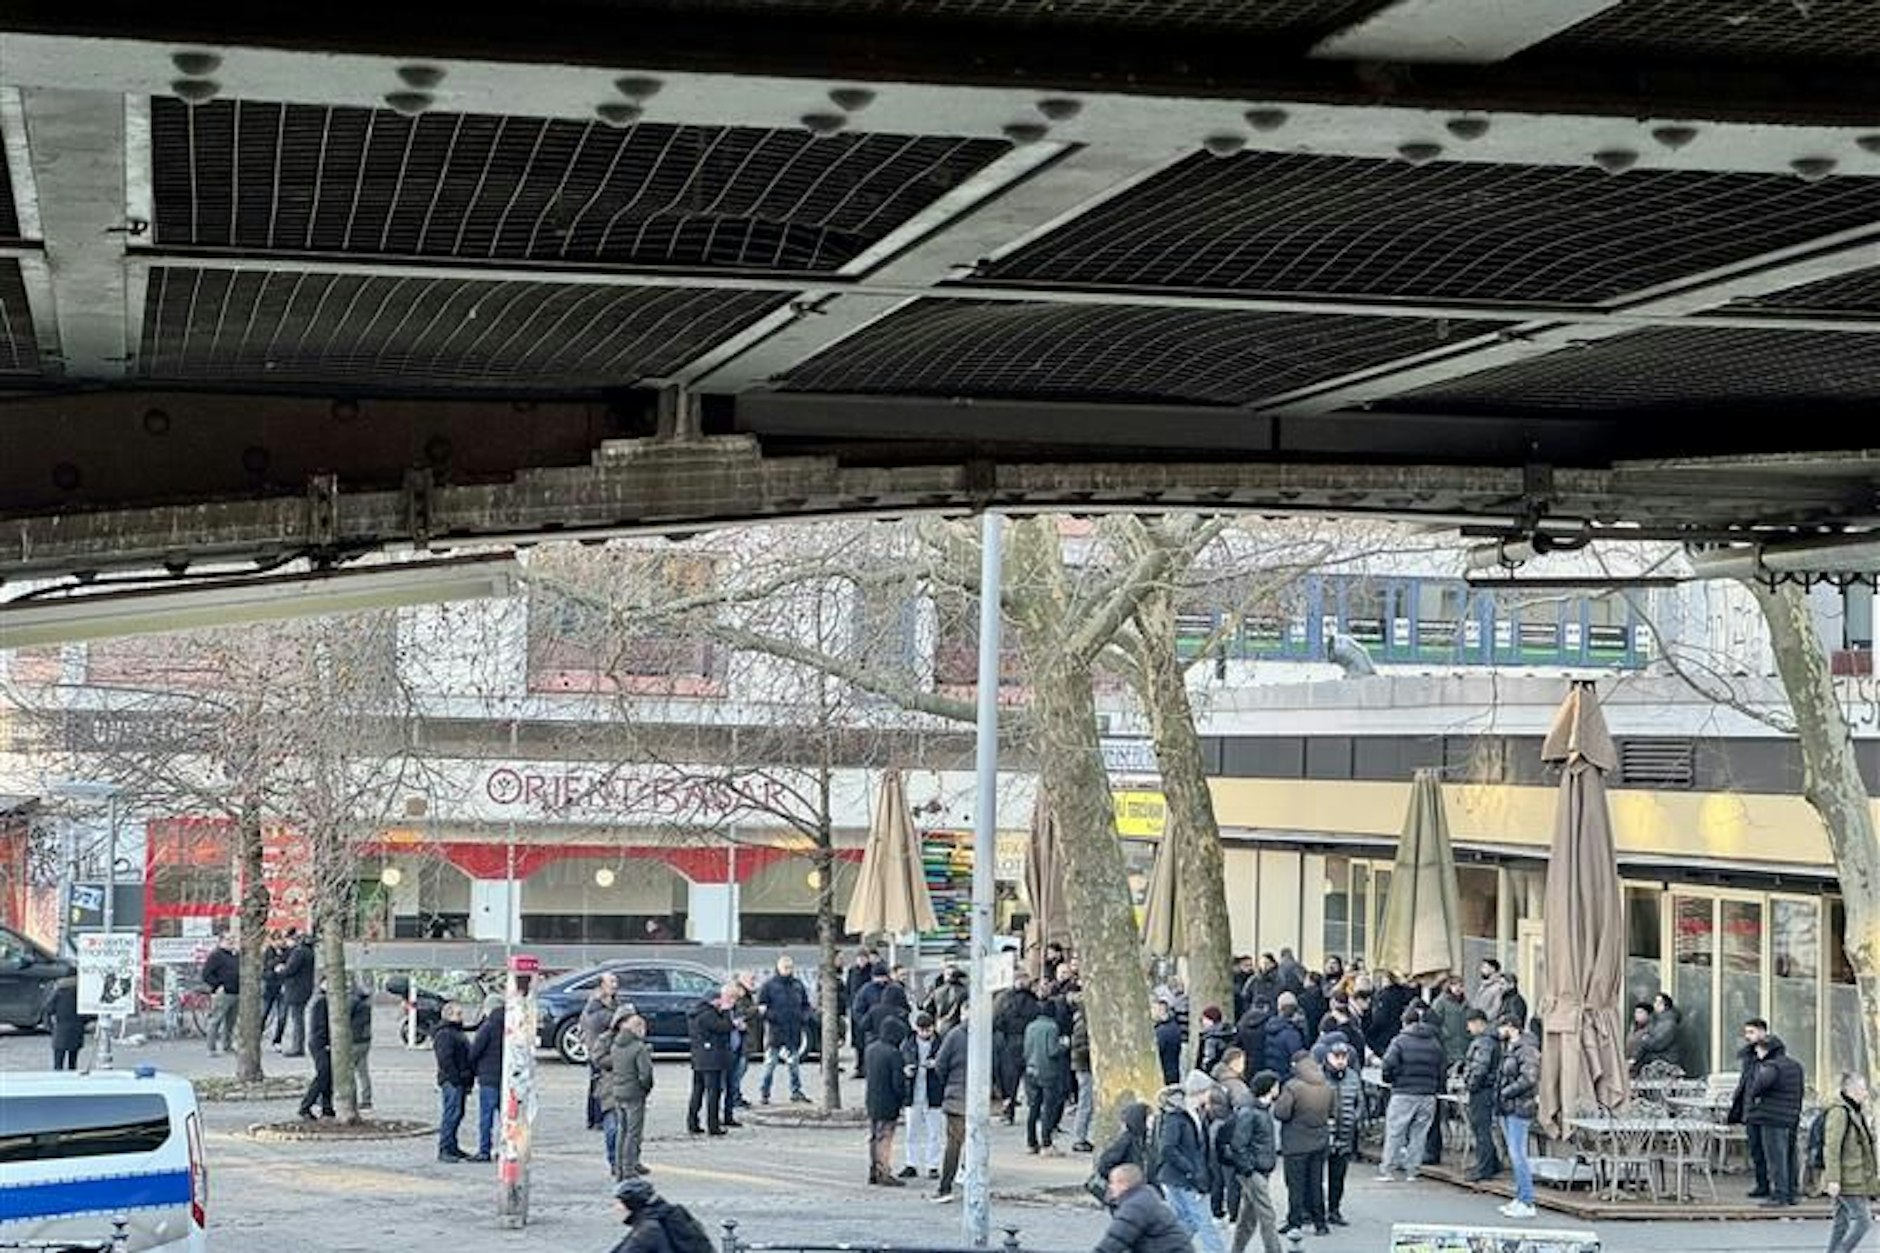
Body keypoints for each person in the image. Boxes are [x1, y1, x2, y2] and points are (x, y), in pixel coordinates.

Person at [1157, 1072, 1225, 1253]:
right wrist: (1191, 1171)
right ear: (1200, 1092)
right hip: (1184, 1178)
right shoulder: (1176, 1116)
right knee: (1204, 1222)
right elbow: (1168, 1148)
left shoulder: (1195, 1113)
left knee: (1187, 1220)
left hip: (1181, 1176)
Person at [1378, 1003, 1444, 1182]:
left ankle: (1388, 1169)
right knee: (1419, 1134)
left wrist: (1390, 1080)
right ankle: (1412, 1170)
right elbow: (1441, 1068)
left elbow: (1388, 1064)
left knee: (1395, 1131)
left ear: (1404, 1022)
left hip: (1404, 1092)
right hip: (1428, 1094)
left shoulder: (1399, 1041)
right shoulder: (1434, 1042)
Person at [1272, 1049, 1331, 1237]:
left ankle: (1295, 1221)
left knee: (1296, 1184)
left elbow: (1281, 1113)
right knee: (1316, 1183)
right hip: (1320, 1140)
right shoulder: (1326, 1086)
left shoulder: (1293, 1087)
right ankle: (1320, 1223)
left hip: (1296, 1142)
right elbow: (1333, 1111)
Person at [1744, 1031, 1806, 1207]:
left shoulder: (1771, 1067)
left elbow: (1758, 1087)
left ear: (1766, 1050)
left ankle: (1780, 1195)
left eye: (1759, 1050)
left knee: (1775, 1158)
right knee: (1789, 1156)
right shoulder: (1796, 1066)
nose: (1757, 1053)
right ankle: (1791, 1192)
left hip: (1771, 1118)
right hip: (1791, 1116)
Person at [1822, 1072, 1878, 1253]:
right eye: (1862, 1089)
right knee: (1863, 1221)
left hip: (1853, 1174)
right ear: (1850, 1090)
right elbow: (1832, 1147)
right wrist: (1833, 1179)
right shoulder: (1840, 1113)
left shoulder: (1855, 1111)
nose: (1865, 1093)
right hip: (1846, 1177)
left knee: (1841, 1221)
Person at [1227, 1069, 1282, 1253]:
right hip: (1254, 1171)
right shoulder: (1250, 1112)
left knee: (1248, 1218)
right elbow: (1238, 1144)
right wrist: (1249, 1169)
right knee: (1267, 1215)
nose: (1278, 1089)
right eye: (1276, 1086)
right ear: (1268, 1088)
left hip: (1259, 1168)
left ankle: (1236, 1249)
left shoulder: (1260, 1109)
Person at [1494, 1014, 1541, 1220]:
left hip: (1519, 1106)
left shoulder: (1526, 1049)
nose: (1498, 1031)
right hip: (1508, 1106)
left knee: (1517, 1153)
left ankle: (1527, 1200)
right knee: (1515, 1153)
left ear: (1511, 1027)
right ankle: (1520, 1196)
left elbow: (1529, 1078)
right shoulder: (1511, 1048)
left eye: (1501, 1026)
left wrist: (1507, 1091)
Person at [1094, 1163, 1192, 1253]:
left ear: (1123, 1185)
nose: (1110, 1187)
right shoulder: (1142, 1197)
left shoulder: (1135, 1206)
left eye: (1112, 1182)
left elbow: (1115, 1240)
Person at [756, 955, 811, 1105]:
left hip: (793, 1031)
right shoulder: (769, 986)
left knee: (794, 1065)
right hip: (775, 1031)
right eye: (785, 967)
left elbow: (806, 1005)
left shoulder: (798, 985)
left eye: (790, 967)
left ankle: (796, 1091)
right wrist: (773, 1017)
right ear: (778, 968)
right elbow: (761, 1008)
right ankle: (764, 1092)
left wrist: (803, 1017)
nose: (788, 970)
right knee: (770, 1064)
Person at [1728, 1018, 1774, 1197]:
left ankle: (1777, 1186)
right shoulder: (1748, 1056)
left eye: (1752, 1032)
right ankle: (1761, 1184)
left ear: (1763, 1032)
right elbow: (1746, 1082)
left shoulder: (1771, 1054)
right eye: (1746, 1032)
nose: (1748, 1036)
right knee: (1755, 1149)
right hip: (1750, 1108)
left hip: (1765, 1108)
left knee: (1769, 1150)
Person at [931, 1001, 970, 1201]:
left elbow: (940, 1064)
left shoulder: (954, 1035)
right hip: (975, 1097)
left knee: (954, 1144)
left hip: (956, 1096)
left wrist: (948, 1085)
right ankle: (971, 1179)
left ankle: (945, 1186)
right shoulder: (987, 1034)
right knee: (973, 1142)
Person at [865, 1015, 911, 1185]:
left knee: (874, 1136)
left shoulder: (871, 1049)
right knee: (885, 1138)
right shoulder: (894, 1054)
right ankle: (884, 1172)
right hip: (889, 1102)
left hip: (872, 1100)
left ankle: (873, 1170)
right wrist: (904, 1096)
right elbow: (897, 1082)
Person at [1320, 1040, 1362, 1226]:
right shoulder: (1320, 1077)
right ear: (1328, 1057)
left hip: (1345, 1132)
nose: (1340, 1061)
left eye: (1343, 1057)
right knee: (1316, 1176)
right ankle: (1316, 1210)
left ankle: (1334, 1210)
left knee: (1338, 1177)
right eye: (1336, 1056)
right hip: (1322, 1134)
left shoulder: (1353, 1077)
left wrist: (1354, 1118)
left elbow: (1359, 1102)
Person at [686, 983, 736, 1136]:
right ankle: (713, 1126)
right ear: (713, 1000)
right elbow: (724, 1027)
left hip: (699, 1057)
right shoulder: (708, 1014)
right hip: (711, 1059)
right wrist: (727, 1012)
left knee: (697, 1091)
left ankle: (692, 1122)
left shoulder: (696, 1012)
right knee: (713, 1092)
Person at [611, 1012, 656, 1179]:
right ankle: (629, 1169)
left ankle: (619, 1167)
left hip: (618, 1092)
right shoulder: (639, 1048)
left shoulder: (616, 1045)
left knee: (622, 1132)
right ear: (638, 1028)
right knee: (633, 1133)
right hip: (634, 1094)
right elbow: (645, 1074)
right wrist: (646, 1088)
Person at [901, 1012, 945, 1179]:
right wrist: (906, 1070)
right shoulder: (908, 1044)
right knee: (912, 1131)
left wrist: (937, 1065)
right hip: (913, 1093)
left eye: (928, 1030)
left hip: (933, 1093)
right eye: (922, 1030)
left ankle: (932, 1165)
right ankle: (911, 1163)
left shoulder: (940, 1044)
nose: (925, 1034)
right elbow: (900, 1062)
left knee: (934, 1132)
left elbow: (945, 1065)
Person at [1460, 1008, 1502, 1182]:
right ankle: (1491, 1163)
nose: (1468, 1029)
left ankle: (1484, 1168)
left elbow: (1480, 1067)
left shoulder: (1484, 1042)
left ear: (1478, 1022)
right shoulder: (1492, 1040)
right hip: (1488, 1087)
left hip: (1482, 1090)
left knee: (1481, 1129)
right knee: (1483, 1128)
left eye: (1470, 1024)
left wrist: (1470, 1085)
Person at [1024, 1004, 1070, 1155]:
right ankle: (1046, 1143)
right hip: (1048, 1072)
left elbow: (1026, 1050)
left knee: (1033, 1107)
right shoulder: (1052, 1027)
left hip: (1031, 1070)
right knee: (1048, 1109)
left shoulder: (1030, 1027)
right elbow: (1052, 1051)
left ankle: (1031, 1142)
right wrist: (1064, 1045)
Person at [994, 974, 1040, 1122]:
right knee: (1031, 1079)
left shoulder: (1004, 998)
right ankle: (1035, 1112)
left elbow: (997, 1020)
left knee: (1009, 1080)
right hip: (1028, 1042)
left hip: (1010, 1042)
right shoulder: (1033, 1000)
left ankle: (1009, 1111)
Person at [432, 1001, 473, 1161]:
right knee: (451, 1113)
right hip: (452, 1081)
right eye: (458, 1013)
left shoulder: (455, 1031)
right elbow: (445, 1059)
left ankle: (452, 1146)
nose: (461, 1016)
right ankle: (445, 1148)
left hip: (459, 1080)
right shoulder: (445, 1034)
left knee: (457, 1113)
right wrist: (456, 1078)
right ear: (448, 1015)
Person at [583, 972, 623, 1130]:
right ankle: (597, 1118)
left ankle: (596, 1118)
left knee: (600, 1083)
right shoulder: (595, 1005)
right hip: (598, 1050)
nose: (615, 984)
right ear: (602, 985)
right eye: (611, 981)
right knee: (599, 1084)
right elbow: (597, 1022)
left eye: (616, 981)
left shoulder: (614, 1002)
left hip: (610, 1049)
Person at [469, 992, 505, 1162]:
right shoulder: (511, 1024)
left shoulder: (488, 1026)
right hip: (506, 1079)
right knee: (506, 1117)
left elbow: (475, 1051)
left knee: (486, 1117)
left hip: (488, 1078)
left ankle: (484, 1150)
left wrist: (472, 1068)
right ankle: (505, 1148)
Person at [297, 981, 336, 1121]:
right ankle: (305, 1106)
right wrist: (326, 1043)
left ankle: (327, 1107)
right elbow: (320, 1026)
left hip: (323, 1043)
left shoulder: (325, 1002)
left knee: (328, 1076)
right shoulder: (322, 1003)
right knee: (323, 1075)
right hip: (321, 1044)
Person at [607, 1178, 673, 1253]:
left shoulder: (647, 1231)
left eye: (620, 1203)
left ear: (631, 1205)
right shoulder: (648, 1221)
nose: (616, 1207)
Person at [1095, 1099, 1152, 1186]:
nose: (1151, 1122)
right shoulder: (1126, 1140)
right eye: (1147, 1118)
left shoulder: (1142, 1139)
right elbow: (1104, 1164)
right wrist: (1120, 1180)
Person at [201, 931, 240, 1056]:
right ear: (221, 941)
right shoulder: (216, 955)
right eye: (228, 939)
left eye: (233, 939)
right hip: (223, 993)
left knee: (231, 1022)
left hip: (236, 992)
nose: (231, 942)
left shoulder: (234, 955)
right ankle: (211, 1048)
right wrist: (217, 985)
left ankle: (227, 1045)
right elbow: (206, 974)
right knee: (216, 1020)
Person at [277, 930, 315, 1057]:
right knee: (299, 1018)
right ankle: (298, 1045)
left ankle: (297, 1046)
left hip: (296, 989)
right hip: (305, 988)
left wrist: (280, 970)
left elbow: (290, 970)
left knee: (297, 1019)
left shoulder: (299, 952)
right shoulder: (309, 952)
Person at [1630, 991, 1686, 1074]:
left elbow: (1657, 1043)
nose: (1655, 1004)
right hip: (1656, 1065)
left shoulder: (1669, 1023)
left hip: (1665, 1066)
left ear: (1665, 1005)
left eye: (1658, 1002)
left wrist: (1645, 1040)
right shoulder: (1656, 1021)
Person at [1069, 992, 1096, 1152]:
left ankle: (1082, 1136)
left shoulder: (1083, 1023)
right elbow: (1079, 1049)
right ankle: (1079, 1137)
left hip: (1085, 1066)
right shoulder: (1083, 1025)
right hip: (1085, 1067)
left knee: (1087, 1103)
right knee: (1086, 1103)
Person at [44, 972, 87, 1070]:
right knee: (73, 1062)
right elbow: (88, 1014)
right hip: (77, 1028)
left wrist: (49, 1026)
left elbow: (48, 1009)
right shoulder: (81, 992)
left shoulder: (59, 991)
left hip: (60, 1029)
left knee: (58, 1063)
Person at [1261, 993, 1307, 1078]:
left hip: (1272, 1075)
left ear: (1279, 1008)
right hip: (1287, 1076)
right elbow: (1299, 1058)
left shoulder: (1268, 1026)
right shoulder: (1292, 1033)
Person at [346, 981, 375, 1111]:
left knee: (349, 1071)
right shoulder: (367, 1005)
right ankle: (366, 1099)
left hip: (354, 1040)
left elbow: (345, 1016)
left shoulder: (352, 1002)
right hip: (365, 1040)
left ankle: (351, 1099)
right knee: (363, 1072)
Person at [261, 930, 287, 1048]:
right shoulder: (268, 952)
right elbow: (266, 967)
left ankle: (277, 1040)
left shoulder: (287, 951)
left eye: (280, 940)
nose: (279, 943)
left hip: (282, 987)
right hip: (270, 986)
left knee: (282, 1016)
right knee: (263, 1014)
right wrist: (278, 962)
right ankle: (258, 1036)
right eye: (276, 940)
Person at [1153, 998, 1184, 1086]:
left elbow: (1158, 1050)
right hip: (1174, 1071)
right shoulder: (1175, 1026)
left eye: (1154, 1009)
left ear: (1161, 1010)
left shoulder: (1162, 1031)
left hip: (1165, 1073)